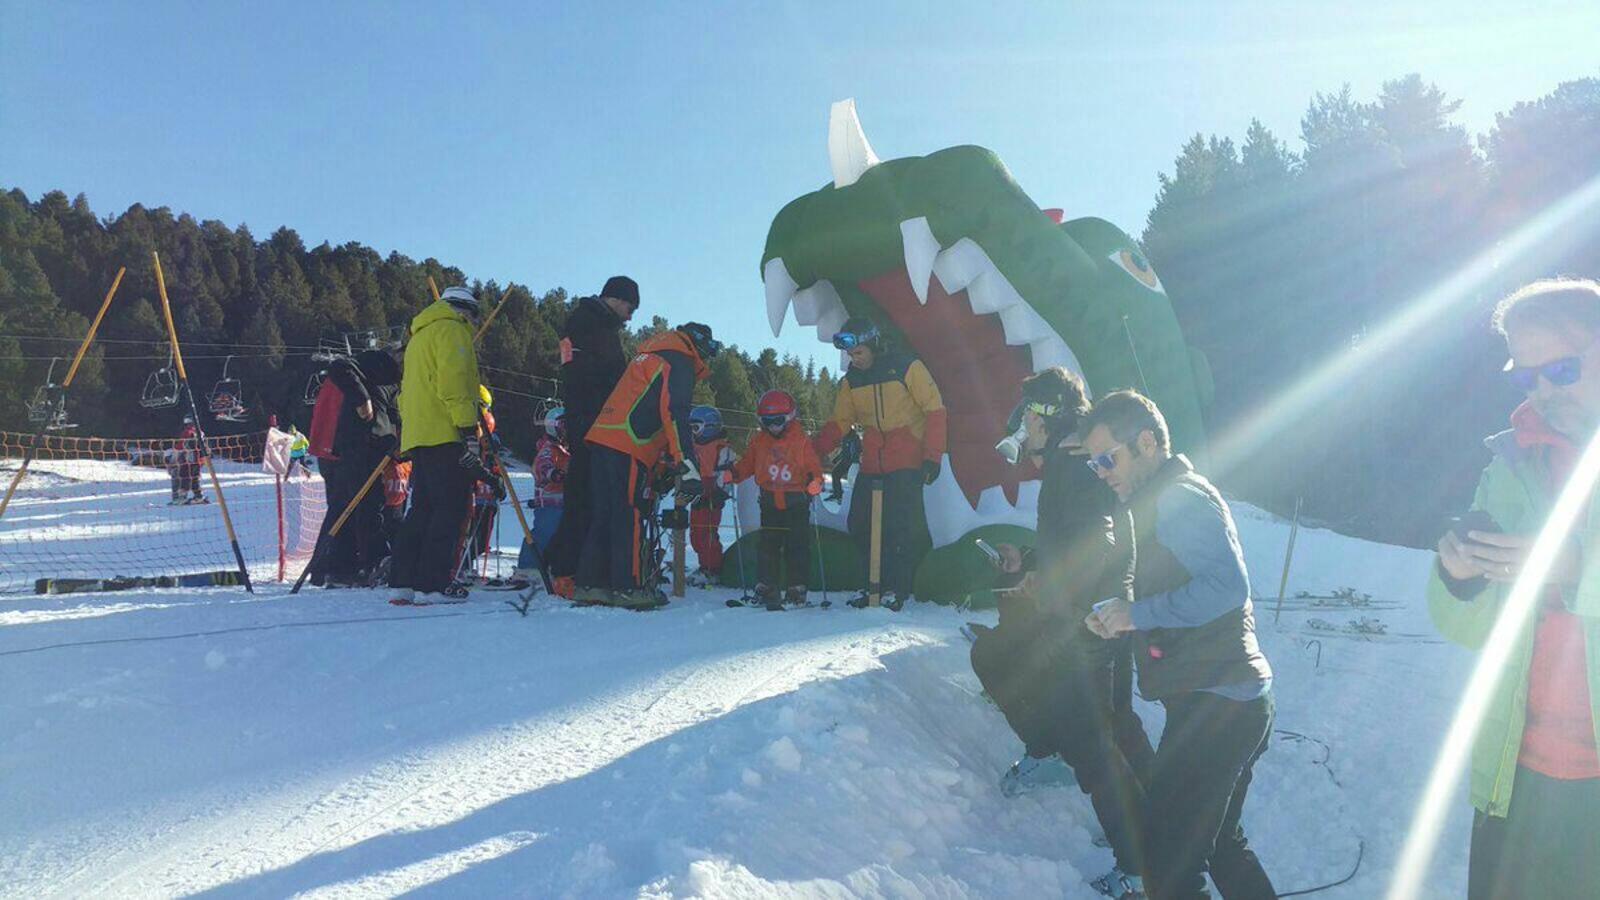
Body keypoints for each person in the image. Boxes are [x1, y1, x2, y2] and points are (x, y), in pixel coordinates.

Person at [1430, 278, 1600, 900]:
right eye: (1526, 378)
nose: (1544, 393)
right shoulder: (1508, 464)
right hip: (1515, 776)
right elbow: (1459, 625)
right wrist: (1459, 577)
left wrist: (1576, 566)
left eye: (1561, 368)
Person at [1082, 390, 1275, 900]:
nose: (1101, 472)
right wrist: (1124, 615)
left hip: (1218, 703)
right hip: (1224, 698)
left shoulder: (1177, 497)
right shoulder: (1160, 500)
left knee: (1167, 860)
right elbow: (1183, 585)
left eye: (1108, 458)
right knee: (1219, 845)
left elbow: (1228, 588)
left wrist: (1137, 614)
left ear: (1146, 443)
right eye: (1093, 464)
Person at [978, 368, 1155, 897]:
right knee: (1117, 726)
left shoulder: (1073, 462)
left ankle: (1141, 870)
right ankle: (1162, 825)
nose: (1021, 428)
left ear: (1043, 417)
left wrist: (1068, 597)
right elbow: (1082, 535)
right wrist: (1035, 562)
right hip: (1098, 610)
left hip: (1087, 620)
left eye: (1026, 416)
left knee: (1093, 747)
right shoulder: (1074, 457)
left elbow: (1099, 538)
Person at [578, 322, 719, 608]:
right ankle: (629, 587)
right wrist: (687, 464)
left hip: (604, 437)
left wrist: (664, 465)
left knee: (604, 513)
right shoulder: (679, 358)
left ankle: (591, 584)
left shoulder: (651, 354)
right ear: (700, 344)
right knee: (629, 514)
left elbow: (650, 409)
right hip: (629, 442)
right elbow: (675, 414)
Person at [814, 316, 947, 610]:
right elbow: (841, 421)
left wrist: (932, 457)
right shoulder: (853, 379)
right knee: (859, 523)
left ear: (872, 343)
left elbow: (935, 410)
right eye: (851, 354)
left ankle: (895, 589)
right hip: (872, 460)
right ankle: (870, 584)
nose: (854, 359)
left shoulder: (906, 366)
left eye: (858, 352)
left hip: (907, 461)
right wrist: (814, 450)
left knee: (898, 528)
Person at [389, 285, 496, 603]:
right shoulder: (452, 330)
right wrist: (466, 428)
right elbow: (456, 382)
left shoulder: (419, 336)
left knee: (422, 508)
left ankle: (404, 581)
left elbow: (407, 391)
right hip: (445, 430)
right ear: (466, 310)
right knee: (449, 509)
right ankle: (432, 583)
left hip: (420, 433)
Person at [546, 276, 639, 598]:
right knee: (586, 498)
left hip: (589, 421)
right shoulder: (591, 325)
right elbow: (595, 377)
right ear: (615, 298)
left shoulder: (595, 325)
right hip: (592, 423)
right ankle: (567, 571)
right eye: (630, 307)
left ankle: (565, 565)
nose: (630, 316)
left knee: (585, 496)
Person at [306, 348, 402, 587]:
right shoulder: (379, 365)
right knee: (364, 505)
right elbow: (340, 366)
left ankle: (336, 568)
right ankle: (369, 563)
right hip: (348, 448)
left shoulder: (390, 382)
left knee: (344, 509)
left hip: (343, 448)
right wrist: (362, 400)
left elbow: (391, 411)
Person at [730, 390, 824, 609]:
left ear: (790, 418)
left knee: (797, 545)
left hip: (796, 500)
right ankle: (767, 585)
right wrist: (734, 474)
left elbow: (813, 467)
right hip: (769, 500)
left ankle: (796, 588)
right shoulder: (759, 442)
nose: (773, 426)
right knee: (768, 545)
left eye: (778, 421)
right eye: (767, 421)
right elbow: (747, 464)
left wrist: (815, 481)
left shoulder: (800, 440)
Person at [517, 406, 569, 583]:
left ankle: (549, 564)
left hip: (562, 501)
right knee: (544, 533)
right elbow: (542, 467)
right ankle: (527, 566)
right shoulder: (548, 449)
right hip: (548, 501)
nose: (566, 430)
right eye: (563, 425)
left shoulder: (564, 450)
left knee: (558, 535)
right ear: (553, 426)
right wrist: (554, 474)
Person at [687, 405, 734, 587]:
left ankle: (712, 568)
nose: (694, 432)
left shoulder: (722, 448)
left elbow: (726, 475)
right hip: (697, 494)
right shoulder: (693, 446)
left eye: (696, 427)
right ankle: (703, 565)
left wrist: (719, 492)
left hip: (713, 496)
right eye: (691, 428)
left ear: (710, 427)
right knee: (695, 533)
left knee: (707, 534)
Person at [165, 417, 205, 505]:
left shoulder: (187, 432)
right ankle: (199, 496)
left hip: (188, 460)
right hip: (198, 460)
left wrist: (173, 457)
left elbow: (180, 446)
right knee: (195, 479)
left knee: (184, 478)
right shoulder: (200, 432)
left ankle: (182, 497)